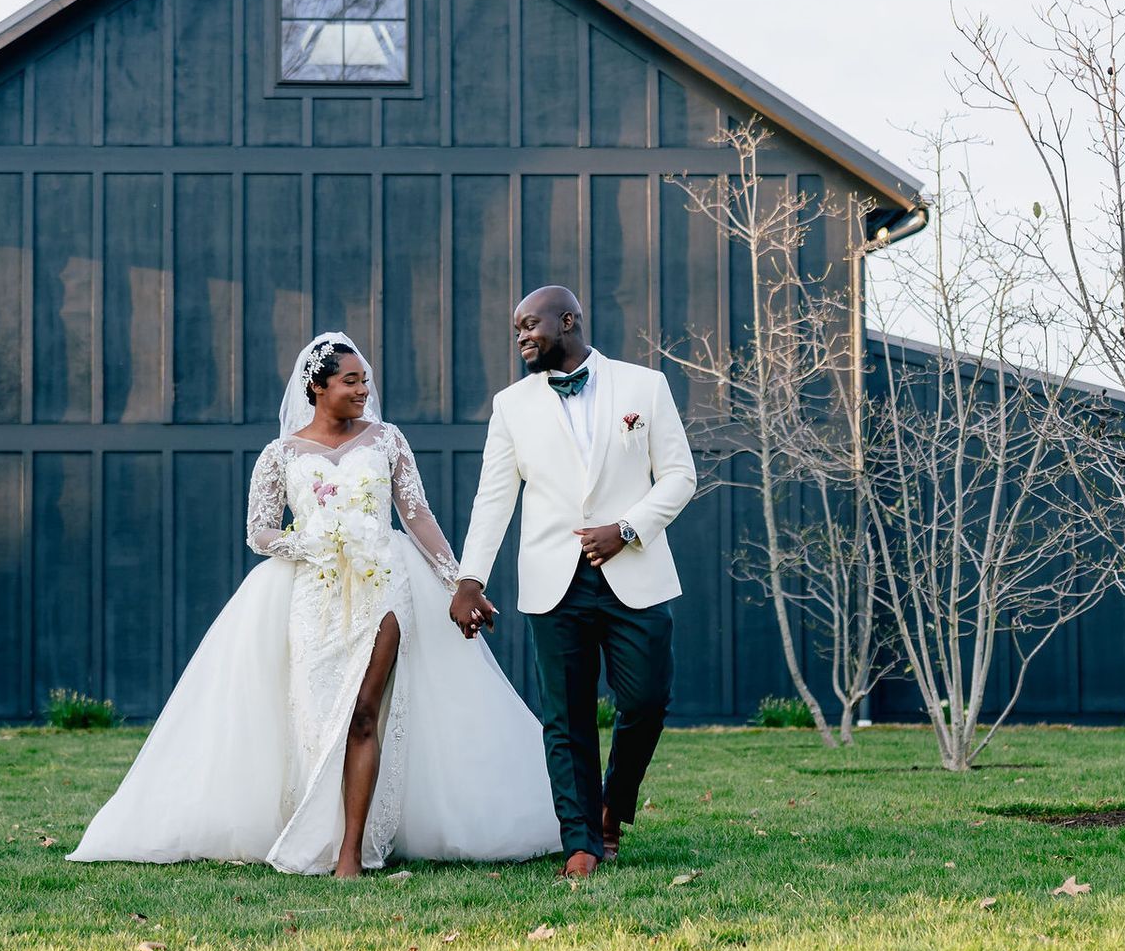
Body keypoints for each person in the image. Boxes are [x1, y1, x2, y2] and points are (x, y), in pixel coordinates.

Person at [71, 333, 559, 875]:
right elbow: (258, 531)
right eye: (350, 381)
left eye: (364, 380)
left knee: (364, 714)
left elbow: (417, 516)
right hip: (314, 596)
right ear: (316, 387)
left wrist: (459, 583)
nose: (362, 389)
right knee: (317, 718)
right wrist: (309, 543)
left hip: (384, 585)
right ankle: (314, 830)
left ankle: (351, 850)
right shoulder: (281, 455)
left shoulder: (387, 441)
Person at [452, 285, 697, 880]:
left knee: (646, 701)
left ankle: (615, 802)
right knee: (567, 717)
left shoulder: (645, 387)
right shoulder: (511, 405)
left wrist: (628, 528)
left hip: (635, 571)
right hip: (552, 582)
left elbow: (680, 476)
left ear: (567, 321)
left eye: (529, 325)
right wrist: (468, 579)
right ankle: (582, 842)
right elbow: (493, 498)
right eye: (516, 329)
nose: (520, 337)